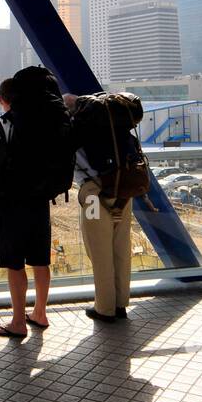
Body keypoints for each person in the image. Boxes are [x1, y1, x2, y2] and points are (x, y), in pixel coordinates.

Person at [0, 78, 51, 338]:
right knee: (40, 260)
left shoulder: (1, 124)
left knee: (15, 264)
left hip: (12, 203)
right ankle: (40, 313)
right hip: (40, 201)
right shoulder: (43, 121)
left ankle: (18, 322)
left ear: (2, 100)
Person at [65, 93, 132, 322]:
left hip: (94, 195)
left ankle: (105, 308)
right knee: (121, 248)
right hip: (123, 190)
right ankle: (121, 304)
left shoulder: (75, 130)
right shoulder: (112, 125)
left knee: (99, 250)